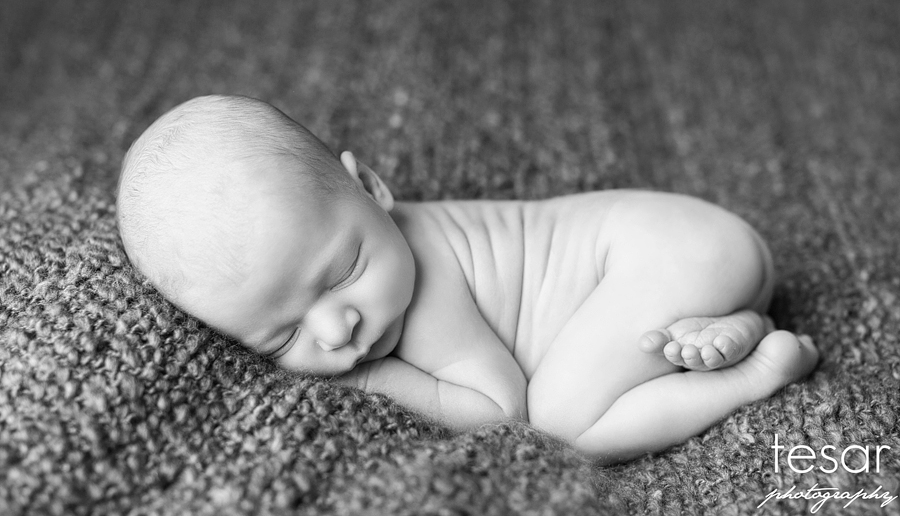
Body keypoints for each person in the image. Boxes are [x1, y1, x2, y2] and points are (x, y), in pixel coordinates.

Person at [116, 95, 819, 465]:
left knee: (564, 424)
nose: (337, 329)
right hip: (694, 259)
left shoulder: (424, 287)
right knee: (596, 377)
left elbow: (497, 406)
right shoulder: (368, 254)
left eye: (344, 273)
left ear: (374, 188)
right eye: (282, 335)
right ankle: (731, 323)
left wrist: (366, 381)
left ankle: (751, 373)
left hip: (661, 252)